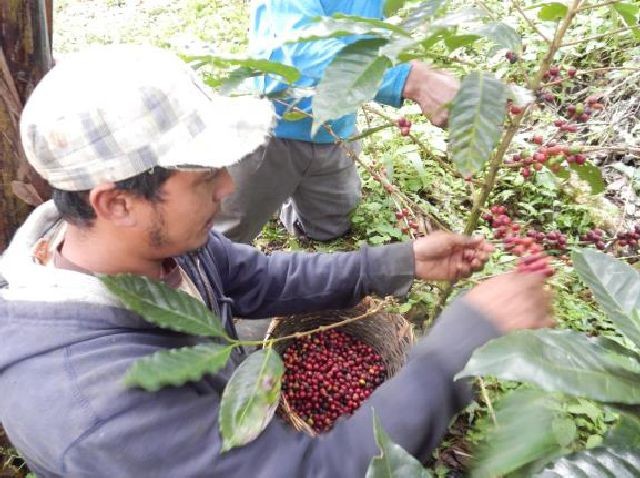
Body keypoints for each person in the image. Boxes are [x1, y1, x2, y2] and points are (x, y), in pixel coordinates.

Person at [0, 45, 553, 478]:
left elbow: (255, 277)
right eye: (204, 176)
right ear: (117, 202)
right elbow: (316, 471)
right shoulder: (94, 408)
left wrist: (400, 261)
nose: (227, 186)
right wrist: (461, 343)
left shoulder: (154, 244)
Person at [214, 0, 461, 243]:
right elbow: (304, 49)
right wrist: (411, 79)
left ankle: (288, 201)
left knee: (330, 227)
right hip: (271, 127)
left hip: (335, 130)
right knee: (225, 235)